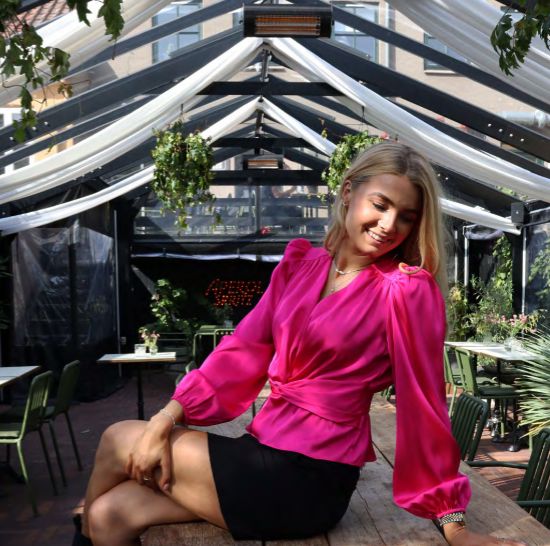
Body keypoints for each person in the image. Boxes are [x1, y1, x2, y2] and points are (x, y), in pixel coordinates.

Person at [74, 142, 528, 546]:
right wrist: (168, 416)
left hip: (311, 476)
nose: (389, 224)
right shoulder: (299, 266)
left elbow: (423, 403)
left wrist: (453, 523)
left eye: (406, 216)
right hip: (264, 449)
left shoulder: (405, 291)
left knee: (117, 438)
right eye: (380, 204)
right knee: (110, 513)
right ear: (348, 192)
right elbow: (242, 351)